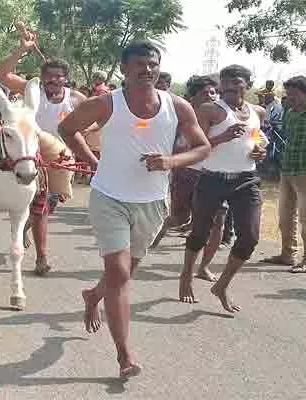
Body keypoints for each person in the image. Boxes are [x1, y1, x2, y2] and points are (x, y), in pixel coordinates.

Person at [58, 42, 211, 378]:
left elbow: (203, 148)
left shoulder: (178, 106)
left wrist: (171, 161)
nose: (148, 69)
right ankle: (125, 355)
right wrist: (92, 160)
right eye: (140, 64)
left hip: (153, 203)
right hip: (109, 198)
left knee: (123, 273)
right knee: (120, 274)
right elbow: (66, 129)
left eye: (153, 64)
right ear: (124, 69)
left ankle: (93, 295)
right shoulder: (105, 104)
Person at [0, 24, 88, 275]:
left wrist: (84, 143)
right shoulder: (31, 89)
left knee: (48, 206)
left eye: (59, 76)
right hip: (31, 156)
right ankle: (42, 258)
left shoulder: (77, 99)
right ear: (42, 76)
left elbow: (95, 123)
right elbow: (1, 74)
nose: (54, 80)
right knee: (42, 207)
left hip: (60, 161)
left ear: (65, 78)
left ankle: (25, 228)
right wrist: (21, 50)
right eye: (50, 75)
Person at [179, 64, 268, 313]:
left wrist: (260, 151)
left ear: (247, 84)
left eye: (236, 80)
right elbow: (195, 146)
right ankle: (186, 275)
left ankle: (222, 286)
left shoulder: (258, 112)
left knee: (249, 237)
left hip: (246, 179)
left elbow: (256, 140)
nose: (229, 84)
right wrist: (223, 137)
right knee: (199, 232)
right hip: (213, 178)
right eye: (225, 80)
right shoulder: (209, 110)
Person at [150, 75, 222, 274]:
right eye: (204, 92)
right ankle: (161, 228)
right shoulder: (182, 112)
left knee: (216, 222)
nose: (210, 96)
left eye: (213, 92)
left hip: (215, 175)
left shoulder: (224, 113)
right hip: (187, 172)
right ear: (194, 95)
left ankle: (203, 267)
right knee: (181, 217)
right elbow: (188, 145)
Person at [261, 76, 306, 273]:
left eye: (294, 93)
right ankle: (287, 254)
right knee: (285, 215)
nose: (290, 96)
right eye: (288, 93)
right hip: (288, 170)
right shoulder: (289, 113)